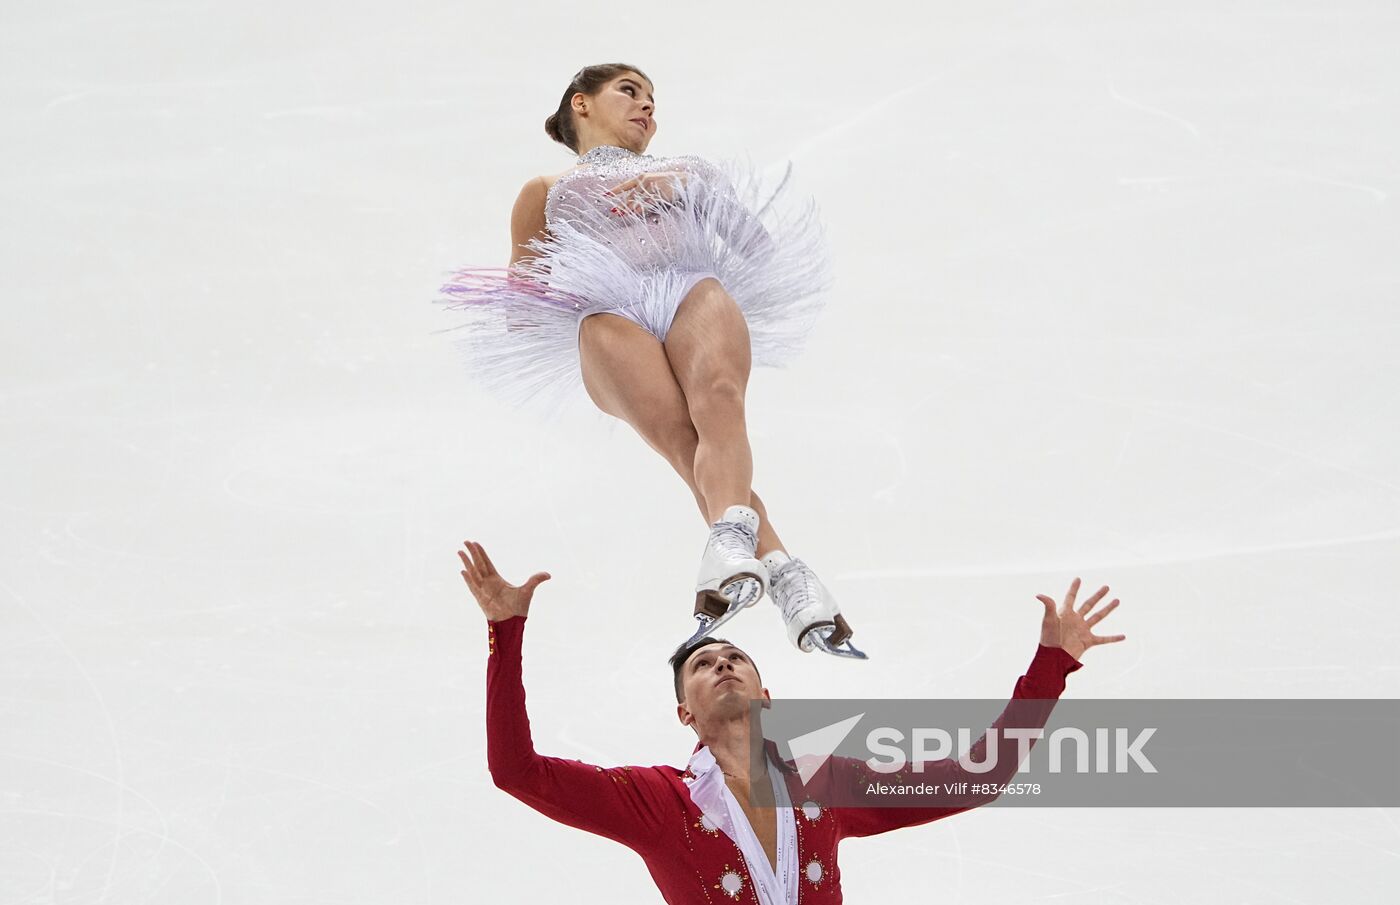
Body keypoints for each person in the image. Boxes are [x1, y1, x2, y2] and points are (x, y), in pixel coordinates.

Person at [439, 64, 858, 656]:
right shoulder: (546, 192)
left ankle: (755, 562)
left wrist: (680, 192)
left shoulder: (687, 171)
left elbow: (754, 248)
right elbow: (522, 308)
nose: (647, 108)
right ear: (580, 105)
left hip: (690, 288)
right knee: (685, 443)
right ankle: (788, 575)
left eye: (653, 100)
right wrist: (566, 273)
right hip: (609, 316)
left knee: (719, 404)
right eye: (629, 92)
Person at [459, 539, 1126, 903]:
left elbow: (979, 776)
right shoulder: (655, 802)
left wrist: (1051, 665)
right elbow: (516, 770)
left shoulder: (823, 782)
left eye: (735, 657)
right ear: (684, 712)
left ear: (766, 693)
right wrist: (505, 630)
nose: (721, 663)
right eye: (703, 663)